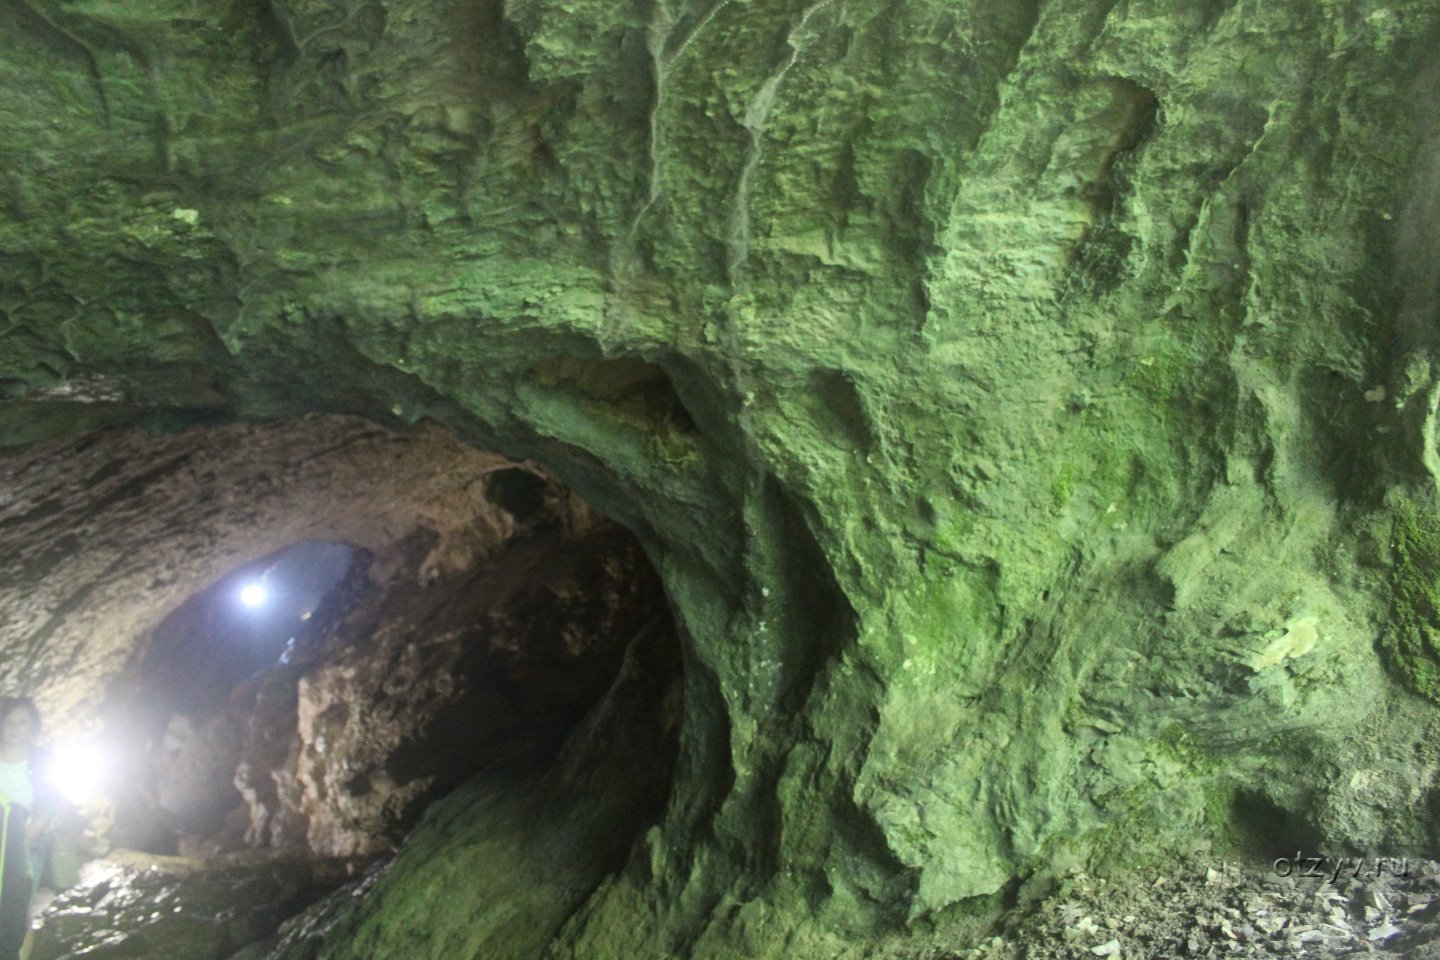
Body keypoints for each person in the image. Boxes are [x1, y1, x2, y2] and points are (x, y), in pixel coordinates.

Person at [0, 697, 50, 960]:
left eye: (22, 722)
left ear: (32, 726)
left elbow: (50, 805)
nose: (15, 728)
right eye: (9, 722)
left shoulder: (43, 760)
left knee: (20, 908)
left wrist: (23, 841)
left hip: (28, 844)